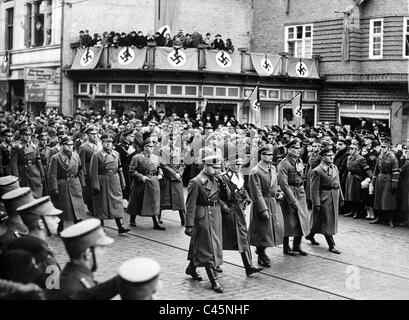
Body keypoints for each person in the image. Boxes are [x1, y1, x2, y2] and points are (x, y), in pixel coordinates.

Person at [184, 155, 230, 293]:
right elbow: (190, 205)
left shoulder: (215, 179)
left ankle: (191, 267)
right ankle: (213, 280)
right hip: (203, 216)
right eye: (214, 168)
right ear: (206, 166)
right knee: (208, 248)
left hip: (215, 215)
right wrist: (189, 225)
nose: (217, 170)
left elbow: (225, 197)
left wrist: (223, 184)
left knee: (203, 244)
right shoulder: (196, 182)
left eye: (218, 168)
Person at [48, 219, 119, 300]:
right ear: (88, 253)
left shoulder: (70, 277)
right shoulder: (76, 288)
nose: (104, 251)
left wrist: (118, 282)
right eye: (101, 247)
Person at [3, 196, 62, 288]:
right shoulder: (44, 257)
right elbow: (54, 292)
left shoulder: (21, 245)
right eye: (53, 217)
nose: (58, 220)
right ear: (41, 224)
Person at [221, 155, 263, 276]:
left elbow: (242, 190)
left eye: (240, 164)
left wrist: (247, 198)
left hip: (238, 211)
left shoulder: (240, 176)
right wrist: (223, 205)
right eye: (235, 164)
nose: (238, 167)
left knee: (243, 237)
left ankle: (248, 266)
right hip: (227, 213)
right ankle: (215, 263)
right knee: (220, 238)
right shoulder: (223, 178)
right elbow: (216, 195)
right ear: (229, 164)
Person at [248, 144, 284, 267]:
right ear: (262, 155)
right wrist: (263, 209)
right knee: (262, 230)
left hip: (273, 202)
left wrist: (279, 192)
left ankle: (262, 252)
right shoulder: (255, 171)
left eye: (271, 155)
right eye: (268, 155)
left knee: (269, 230)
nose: (270, 157)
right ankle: (261, 254)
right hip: (262, 202)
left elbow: (276, 183)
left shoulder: (272, 168)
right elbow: (256, 193)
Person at [89, 133, 130, 234]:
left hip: (114, 180)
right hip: (102, 180)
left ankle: (120, 226)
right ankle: (101, 227)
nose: (108, 144)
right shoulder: (96, 155)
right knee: (101, 204)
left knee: (117, 203)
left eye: (110, 142)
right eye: (106, 142)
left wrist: (122, 181)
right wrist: (95, 185)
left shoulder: (116, 154)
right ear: (102, 143)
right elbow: (93, 172)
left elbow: (120, 169)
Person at [277, 138, 310, 256]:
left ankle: (297, 246)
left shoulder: (299, 160)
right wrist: (291, 200)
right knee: (288, 222)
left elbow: (302, 176)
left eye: (299, 148)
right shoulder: (283, 164)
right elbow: (283, 184)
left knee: (302, 219)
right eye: (295, 148)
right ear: (288, 149)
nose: (298, 150)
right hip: (289, 193)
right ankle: (286, 248)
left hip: (300, 191)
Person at [48, 136, 87, 233]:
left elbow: (80, 170)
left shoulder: (76, 156)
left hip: (75, 183)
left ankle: (78, 224)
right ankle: (60, 226)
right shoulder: (56, 158)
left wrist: (83, 183)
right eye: (67, 145)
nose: (69, 147)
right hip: (63, 184)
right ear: (61, 145)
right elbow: (52, 175)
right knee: (63, 207)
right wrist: (54, 188)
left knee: (77, 206)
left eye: (71, 145)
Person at [308, 146, 343, 254]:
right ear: (323, 157)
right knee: (327, 221)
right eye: (328, 155)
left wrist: (341, 196)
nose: (332, 157)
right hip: (324, 197)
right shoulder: (317, 171)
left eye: (332, 155)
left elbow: (338, 183)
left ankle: (310, 235)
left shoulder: (334, 168)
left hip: (334, 196)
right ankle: (332, 244)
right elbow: (314, 189)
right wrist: (316, 204)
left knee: (320, 220)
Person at [128, 138, 165, 230]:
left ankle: (156, 222)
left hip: (152, 181)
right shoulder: (137, 157)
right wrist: (141, 177)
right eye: (150, 146)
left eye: (153, 146)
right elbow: (132, 171)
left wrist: (160, 174)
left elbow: (159, 167)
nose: (152, 148)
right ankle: (132, 219)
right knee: (136, 201)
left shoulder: (155, 157)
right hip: (141, 182)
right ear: (145, 147)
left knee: (153, 202)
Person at [371, 138, 400, 228]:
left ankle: (391, 220)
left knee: (388, 200)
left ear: (388, 147)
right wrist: (374, 180)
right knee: (378, 199)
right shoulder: (380, 156)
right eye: (381, 147)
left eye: (384, 147)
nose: (382, 149)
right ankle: (379, 217)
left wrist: (394, 184)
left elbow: (396, 171)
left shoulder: (393, 157)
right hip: (380, 178)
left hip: (388, 179)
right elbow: (376, 169)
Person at [159, 132, 186, 225]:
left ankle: (184, 219)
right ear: (168, 140)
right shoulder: (162, 150)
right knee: (162, 199)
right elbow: (163, 164)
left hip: (177, 179)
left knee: (179, 200)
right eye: (171, 139)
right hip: (167, 178)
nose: (173, 141)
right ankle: (158, 217)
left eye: (175, 139)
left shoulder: (178, 150)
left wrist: (180, 173)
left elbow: (182, 163)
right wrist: (174, 174)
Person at [10, 127, 44, 198]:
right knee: (25, 193)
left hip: (34, 171)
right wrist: (16, 175)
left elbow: (38, 160)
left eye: (29, 135)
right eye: (26, 135)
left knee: (37, 190)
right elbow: (13, 163)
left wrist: (42, 173)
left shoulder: (34, 145)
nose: (28, 137)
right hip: (23, 172)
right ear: (21, 135)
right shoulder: (16, 146)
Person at [343, 140, 372, 219]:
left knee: (357, 196)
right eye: (350, 149)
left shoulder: (360, 158)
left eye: (352, 149)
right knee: (350, 195)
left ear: (357, 150)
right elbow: (347, 168)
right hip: (350, 177)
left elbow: (366, 168)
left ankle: (357, 212)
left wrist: (371, 177)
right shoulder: (349, 157)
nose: (350, 150)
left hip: (357, 178)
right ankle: (352, 210)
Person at [78, 127, 99, 215]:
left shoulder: (97, 145)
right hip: (89, 172)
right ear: (88, 135)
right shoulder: (83, 147)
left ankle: (97, 207)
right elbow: (81, 163)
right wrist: (84, 175)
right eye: (92, 134)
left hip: (97, 171)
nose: (95, 136)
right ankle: (91, 208)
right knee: (89, 191)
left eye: (96, 134)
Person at [114, 130, 135, 200]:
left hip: (130, 170)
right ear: (126, 137)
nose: (133, 137)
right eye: (131, 136)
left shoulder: (132, 147)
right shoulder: (118, 148)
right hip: (122, 170)